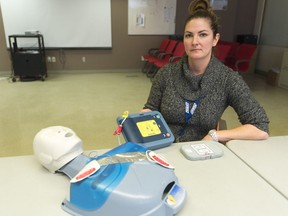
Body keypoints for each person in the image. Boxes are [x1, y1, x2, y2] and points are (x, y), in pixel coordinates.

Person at [141, 0, 269, 143]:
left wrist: (216, 135)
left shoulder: (227, 79)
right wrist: (137, 121)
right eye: (189, 35)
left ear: (215, 39)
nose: (194, 41)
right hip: (164, 148)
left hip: (202, 152)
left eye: (202, 35)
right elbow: (151, 109)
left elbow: (260, 127)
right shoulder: (166, 73)